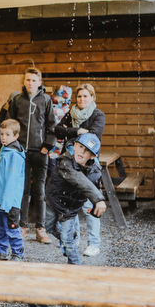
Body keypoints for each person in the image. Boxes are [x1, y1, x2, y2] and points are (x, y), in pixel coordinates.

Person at [7, 67, 57, 244]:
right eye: (28, 80)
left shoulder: (46, 100)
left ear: (40, 82)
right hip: (21, 152)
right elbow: (10, 123)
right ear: (24, 81)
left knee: (40, 191)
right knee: (22, 190)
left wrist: (47, 147)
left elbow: (52, 126)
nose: (30, 83)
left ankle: (41, 228)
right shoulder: (17, 100)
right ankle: (23, 226)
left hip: (40, 152)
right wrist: (13, 146)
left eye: (34, 80)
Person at [55, 83, 105, 257]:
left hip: (87, 164)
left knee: (89, 203)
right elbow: (58, 130)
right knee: (70, 202)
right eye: (79, 96)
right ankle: (73, 239)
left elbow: (93, 138)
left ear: (92, 97)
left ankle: (94, 243)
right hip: (69, 163)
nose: (82, 99)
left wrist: (72, 134)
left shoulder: (98, 115)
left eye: (85, 96)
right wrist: (78, 130)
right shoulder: (71, 114)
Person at [45, 133, 107, 265]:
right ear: (74, 146)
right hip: (54, 202)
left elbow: (94, 186)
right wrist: (99, 199)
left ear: (93, 156)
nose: (82, 152)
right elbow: (80, 180)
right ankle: (68, 236)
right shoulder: (65, 162)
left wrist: (96, 204)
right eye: (80, 147)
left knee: (67, 241)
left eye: (87, 151)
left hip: (70, 209)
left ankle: (75, 266)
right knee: (49, 227)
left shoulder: (94, 171)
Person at [0, 119, 25, 261]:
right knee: (0, 227)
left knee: (12, 227)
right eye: (2, 134)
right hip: (0, 200)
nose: (4, 137)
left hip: (9, 201)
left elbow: (11, 180)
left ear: (16, 136)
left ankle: (17, 253)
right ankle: (1, 250)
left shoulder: (14, 155)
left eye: (8, 134)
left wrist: (7, 203)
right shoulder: (5, 151)